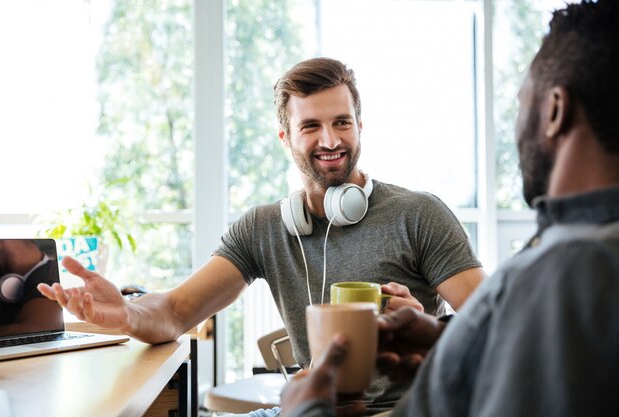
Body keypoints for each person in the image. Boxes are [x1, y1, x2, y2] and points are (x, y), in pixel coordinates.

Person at [37, 57, 485, 415]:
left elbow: (500, 326)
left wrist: (435, 331)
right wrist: (127, 314)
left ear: (360, 127)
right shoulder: (265, 227)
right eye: (310, 126)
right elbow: (176, 311)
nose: (330, 139)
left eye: (342, 122)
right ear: (285, 138)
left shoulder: (419, 215)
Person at [279, 1, 619, 416]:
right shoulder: (581, 251)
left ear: (554, 111)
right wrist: (452, 343)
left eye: (521, 103)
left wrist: (306, 409)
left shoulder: (572, 270)